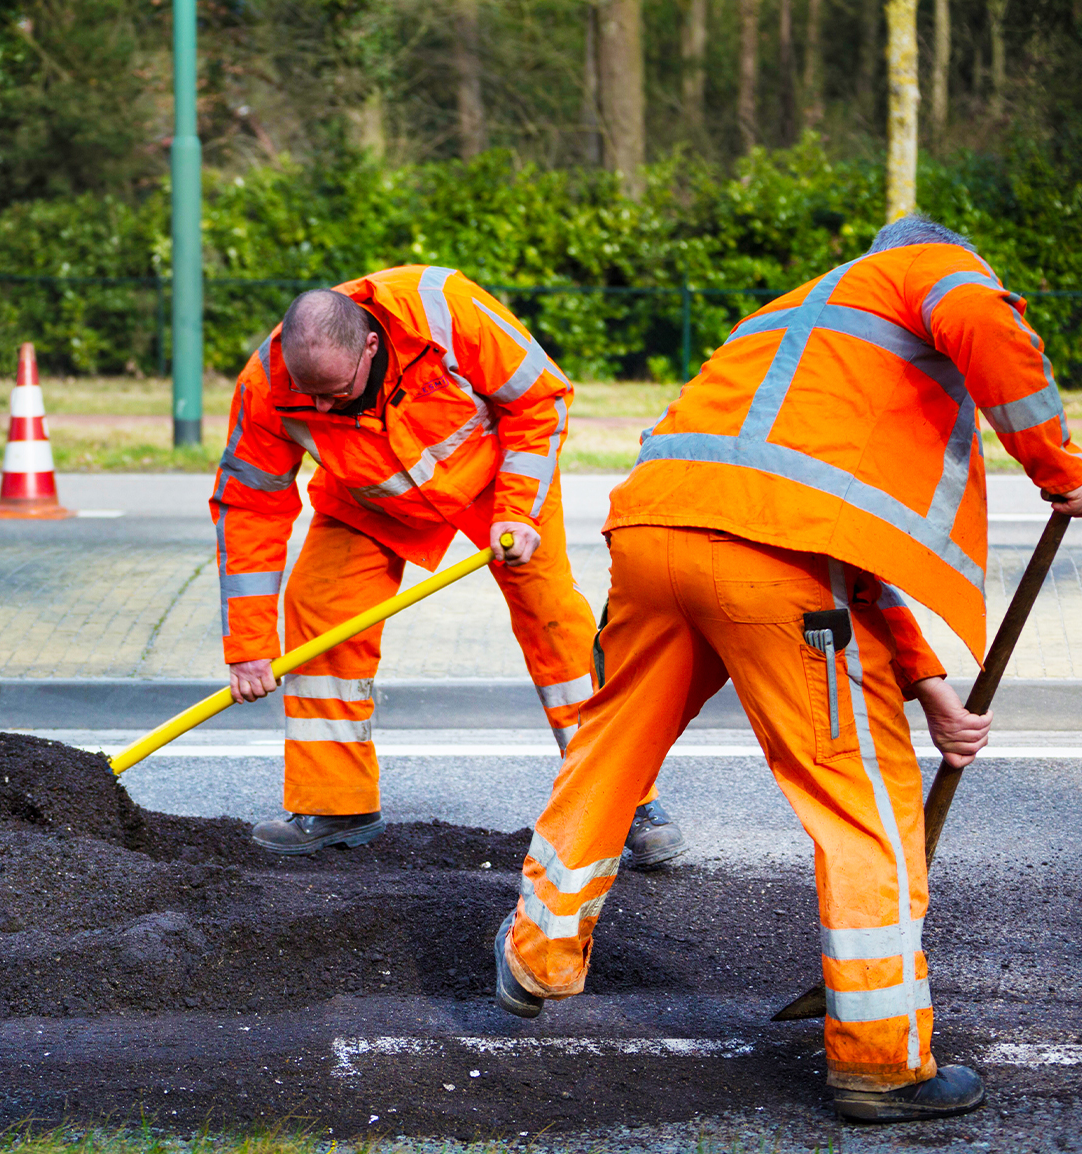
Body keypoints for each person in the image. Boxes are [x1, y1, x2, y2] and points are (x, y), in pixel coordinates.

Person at [492, 215, 1082, 1122]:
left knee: (610, 753)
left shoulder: (794, 321)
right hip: (771, 563)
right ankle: (884, 1063)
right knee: (863, 804)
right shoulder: (931, 272)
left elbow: (839, 552)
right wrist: (1061, 466)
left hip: (653, 538)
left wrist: (927, 688)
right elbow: (980, 324)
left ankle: (538, 951)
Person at [212, 265, 686, 863]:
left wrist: (517, 512)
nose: (324, 404)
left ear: (372, 344)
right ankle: (334, 803)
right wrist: (249, 643)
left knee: (555, 622)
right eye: (315, 397)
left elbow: (541, 401)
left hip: (497, 477)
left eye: (338, 391)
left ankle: (625, 800)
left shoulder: (446, 309)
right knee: (320, 613)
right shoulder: (267, 386)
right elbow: (250, 507)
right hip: (372, 495)